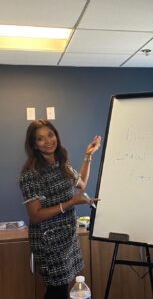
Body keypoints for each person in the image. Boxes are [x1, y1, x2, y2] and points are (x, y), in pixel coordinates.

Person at [19, 119, 101, 299]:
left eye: (50, 135)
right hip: (48, 243)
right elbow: (35, 216)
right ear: (34, 145)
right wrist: (71, 203)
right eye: (40, 139)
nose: (48, 141)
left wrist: (88, 156)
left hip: (68, 238)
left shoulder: (62, 162)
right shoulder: (30, 174)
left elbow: (81, 183)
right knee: (58, 291)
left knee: (63, 289)